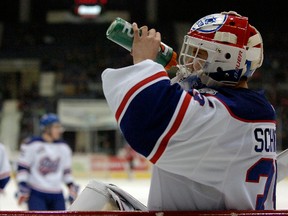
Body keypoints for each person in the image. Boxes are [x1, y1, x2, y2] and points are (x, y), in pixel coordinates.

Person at [101, 11, 277, 211]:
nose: (190, 62)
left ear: (229, 60)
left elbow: (146, 123)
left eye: (200, 54)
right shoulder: (246, 109)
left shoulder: (228, 114)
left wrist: (144, 64)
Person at [16, 113, 79, 210]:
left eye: (59, 127)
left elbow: (66, 172)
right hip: (36, 193)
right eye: (56, 127)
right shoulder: (32, 144)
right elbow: (22, 168)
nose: (59, 130)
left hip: (57, 194)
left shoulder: (64, 147)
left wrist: (71, 186)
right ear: (46, 128)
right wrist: (22, 185)